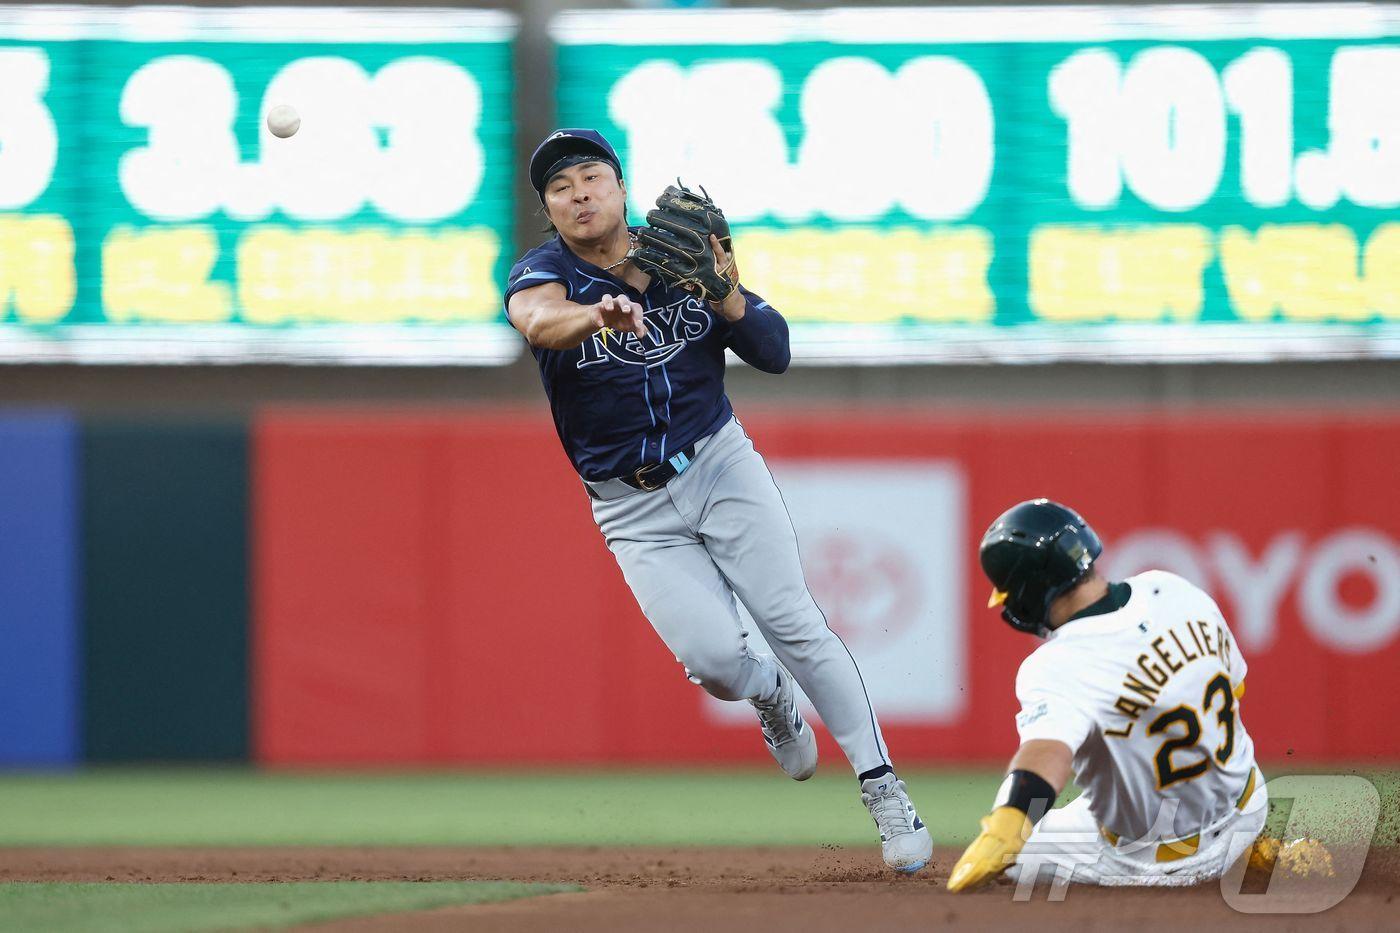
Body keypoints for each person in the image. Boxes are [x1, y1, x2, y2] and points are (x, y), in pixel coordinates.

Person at [503, 128, 932, 872]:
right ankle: (767, 693)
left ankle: (883, 786)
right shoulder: (544, 273)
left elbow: (775, 352)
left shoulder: (676, 250)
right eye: (561, 185)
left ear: (620, 188)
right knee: (715, 662)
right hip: (629, 505)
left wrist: (728, 289)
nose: (579, 193)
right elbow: (539, 322)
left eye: (591, 177)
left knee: (794, 619)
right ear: (548, 207)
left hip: (718, 462)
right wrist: (601, 312)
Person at [948, 498, 1266, 891]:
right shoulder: (1175, 590)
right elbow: (1235, 688)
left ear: (1027, 590)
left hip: (1157, 858)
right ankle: (1258, 850)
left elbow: (1046, 756)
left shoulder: (1056, 664)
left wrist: (1008, 823)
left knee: (1012, 862)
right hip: (1248, 810)